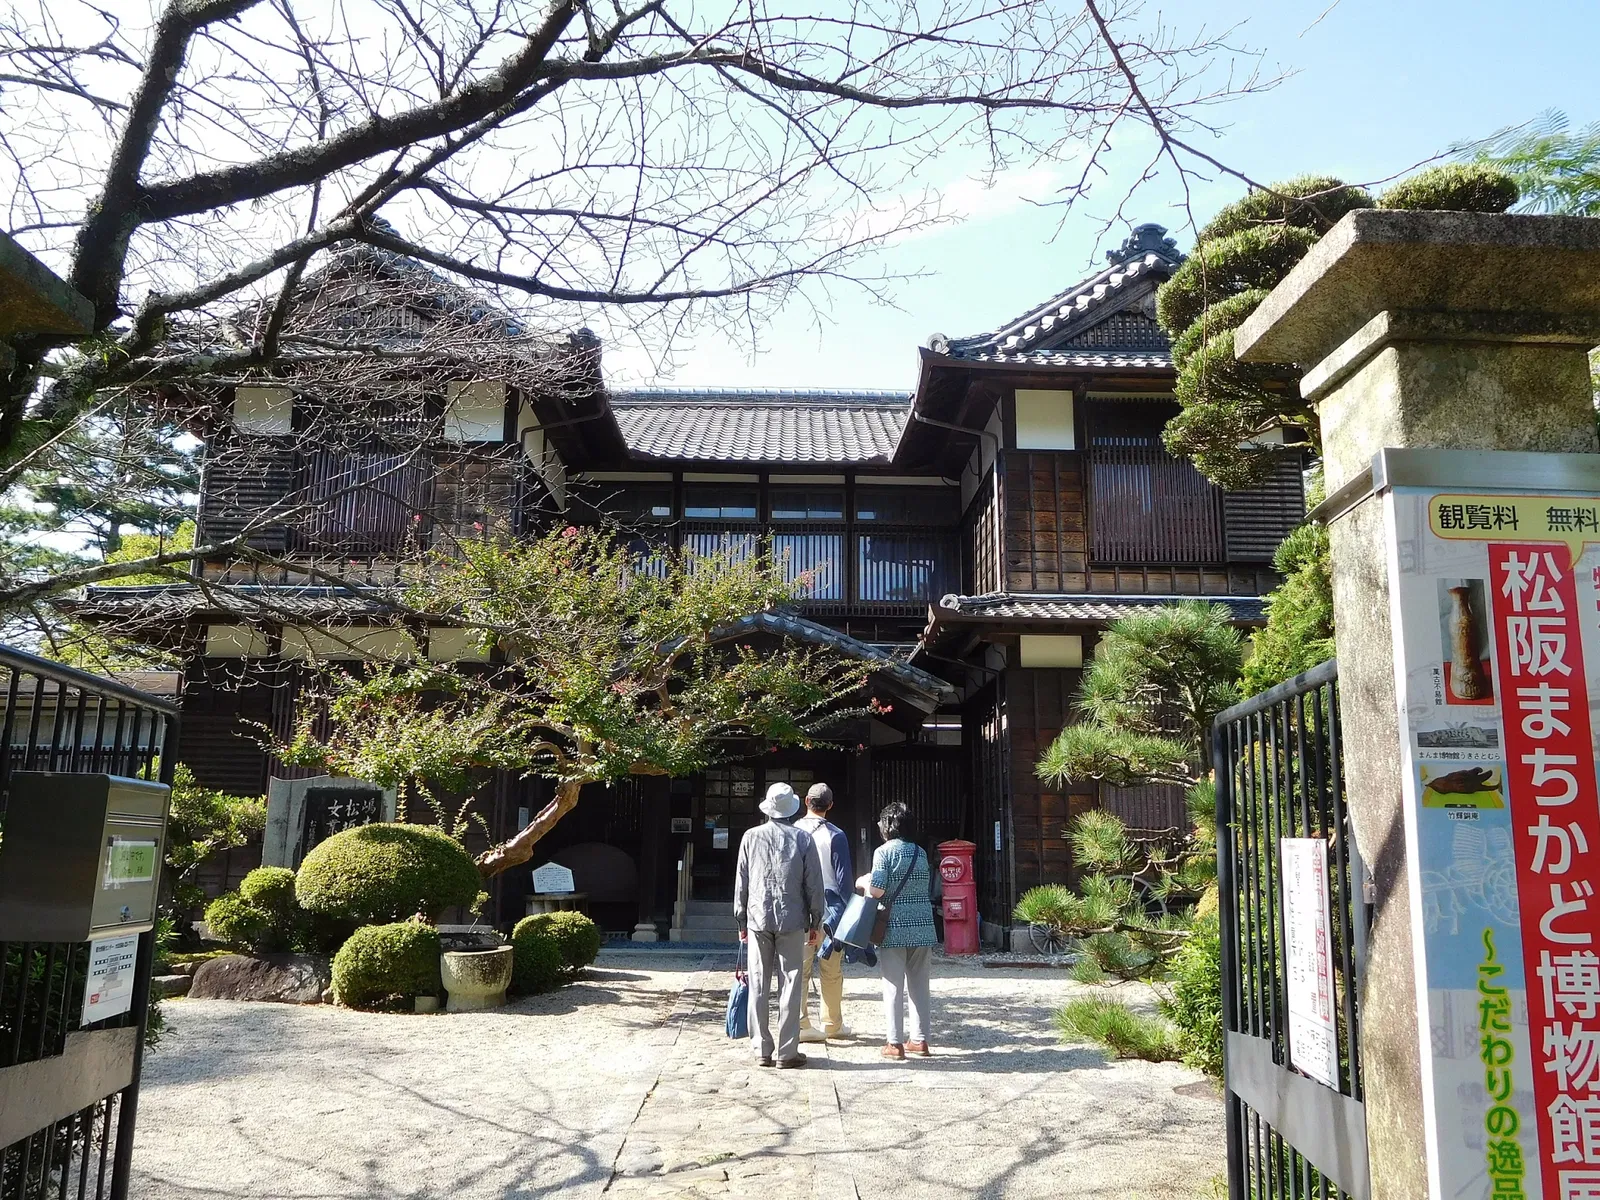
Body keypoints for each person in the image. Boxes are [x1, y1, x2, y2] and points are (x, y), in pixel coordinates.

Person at [733, 782, 825, 1068]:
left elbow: (742, 882)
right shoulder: (803, 839)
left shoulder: (751, 837)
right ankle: (787, 1051)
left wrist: (741, 919)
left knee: (758, 982)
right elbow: (814, 884)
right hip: (792, 916)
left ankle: (761, 1048)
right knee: (791, 982)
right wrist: (816, 919)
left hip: (758, 917)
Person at [857, 801, 937, 1060]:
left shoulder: (883, 852)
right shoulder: (920, 853)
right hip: (923, 925)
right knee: (920, 985)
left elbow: (878, 889)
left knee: (893, 985)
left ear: (888, 826)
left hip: (893, 927)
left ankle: (894, 1043)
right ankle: (920, 1040)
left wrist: (863, 882)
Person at [794, 782, 852, 1043]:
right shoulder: (836, 835)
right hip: (830, 905)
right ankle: (832, 1023)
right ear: (830, 806)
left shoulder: (791, 831)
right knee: (831, 968)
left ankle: (801, 1022)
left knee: (801, 967)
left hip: (800, 904)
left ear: (806, 801)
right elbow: (844, 881)